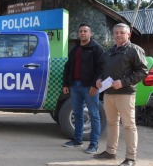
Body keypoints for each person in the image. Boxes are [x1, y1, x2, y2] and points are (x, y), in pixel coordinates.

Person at [94, 23, 148, 166]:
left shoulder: (134, 50)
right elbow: (103, 69)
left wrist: (123, 82)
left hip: (125, 94)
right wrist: (99, 79)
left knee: (129, 126)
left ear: (128, 34)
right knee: (112, 124)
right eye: (116, 32)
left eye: (121, 33)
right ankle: (110, 152)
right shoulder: (109, 51)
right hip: (108, 93)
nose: (118, 35)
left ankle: (131, 158)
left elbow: (143, 71)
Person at [62, 23, 104, 154]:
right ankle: (77, 140)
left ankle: (94, 144)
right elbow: (68, 67)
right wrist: (66, 84)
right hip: (75, 86)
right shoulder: (75, 49)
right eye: (80, 31)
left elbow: (101, 68)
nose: (83, 33)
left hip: (89, 87)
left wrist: (94, 85)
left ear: (90, 33)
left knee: (94, 115)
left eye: (85, 31)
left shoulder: (96, 48)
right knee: (78, 114)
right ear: (78, 33)